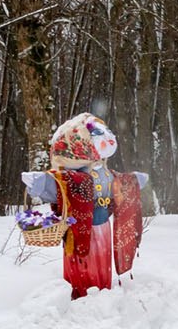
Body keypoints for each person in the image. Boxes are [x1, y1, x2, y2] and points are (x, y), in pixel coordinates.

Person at [20, 113, 148, 300]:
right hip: (80, 229)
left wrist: (134, 179)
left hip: (103, 227)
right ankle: (81, 294)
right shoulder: (74, 177)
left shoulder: (104, 171)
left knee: (102, 261)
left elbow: (119, 182)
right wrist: (41, 181)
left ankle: (102, 291)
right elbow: (59, 184)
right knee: (83, 263)